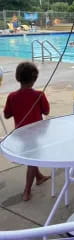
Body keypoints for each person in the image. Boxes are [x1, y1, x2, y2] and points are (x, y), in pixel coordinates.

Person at [3, 62, 51, 201]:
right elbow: (46, 111)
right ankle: (27, 191)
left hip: (20, 133)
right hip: (35, 132)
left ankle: (39, 177)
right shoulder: (38, 95)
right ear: (35, 78)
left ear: (17, 77)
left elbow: (7, 115)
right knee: (32, 159)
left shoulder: (12, 96)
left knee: (31, 156)